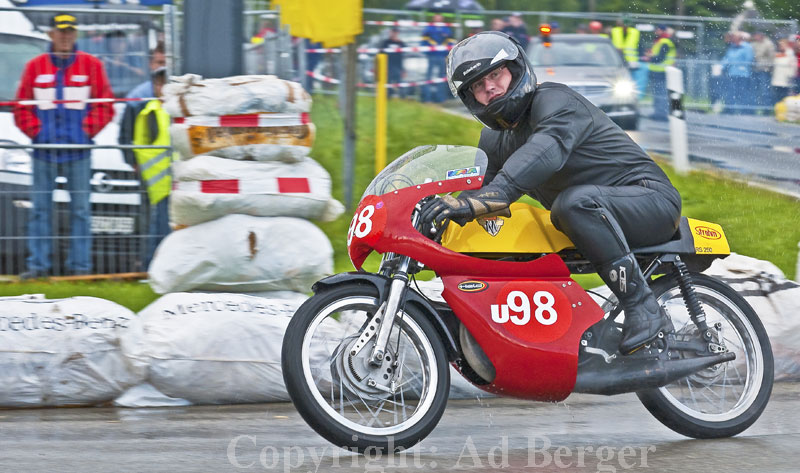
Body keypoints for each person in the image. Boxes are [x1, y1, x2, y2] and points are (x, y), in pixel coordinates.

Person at [423, 31, 681, 355]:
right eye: (477, 84)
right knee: (516, 231)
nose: (489, 87)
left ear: (515, 71)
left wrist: (491, 196)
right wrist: (435, 214)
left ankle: (644, 307)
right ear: (471, 97)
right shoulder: (492, 140)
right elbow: (479, 195)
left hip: (649, 199)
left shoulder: (556, 102)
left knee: (572, 205)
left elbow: (544, 153)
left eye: (495, 74)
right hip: (591, 218)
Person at [13, 13, 114, 279]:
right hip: (43, 151)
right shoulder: (35, 66)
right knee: (39, 210)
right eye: (61, 31)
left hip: (78, 152)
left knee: (80, 211)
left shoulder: (92, 65)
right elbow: (20, 107)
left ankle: (79, 268)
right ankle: (38, 266)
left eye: (70, 31)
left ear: (76, 34)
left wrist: (85, 132)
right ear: (51, 34)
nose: (66, 36)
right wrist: (37, 133)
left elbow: (105, 105)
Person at [119, 67, 175, 269]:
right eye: (159, 83)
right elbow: (134, 141)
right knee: (155, 226)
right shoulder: (148, 110)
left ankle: (159, 265)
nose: (162, 88)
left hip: (175, 180)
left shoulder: (178, 110)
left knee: (166, 226)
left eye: (165, 83)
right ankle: (150, 266)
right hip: (155, 182)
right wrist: (136, 164)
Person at [421, 13, 457, 103]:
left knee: (442, 78)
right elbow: (424, 41)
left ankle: (441, 98)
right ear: (433, 18)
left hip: (442, 57)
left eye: (440, 18)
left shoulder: (446, 29)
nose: (438, 19)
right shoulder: (429, 28)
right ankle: (427, 98)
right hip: (432, 57)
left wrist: (447, 53)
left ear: (442, 19)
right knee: (429, 78)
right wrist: (428, 52)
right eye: (436, 18)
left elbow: (450, 42)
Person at [646, 24, 676, 121]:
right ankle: (658, 113)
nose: (656, 32)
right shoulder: (660, 41)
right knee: (657, 93)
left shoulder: (665, 42)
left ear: (662, 31)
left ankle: (661, 114)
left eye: (658, 30)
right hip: (657, 72)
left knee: (661, 94)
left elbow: (660, 58)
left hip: (662, 72)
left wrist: (650, 58)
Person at [721, 31, 754, 114]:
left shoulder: (747, 47)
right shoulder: (732, 47)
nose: (732, 39)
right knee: (731, 92)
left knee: (743, 93)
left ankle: (744, 110)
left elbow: (749, 59)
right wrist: (721, 67)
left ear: (739, 38)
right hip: (732, 73)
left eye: (734, 37)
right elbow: (727, 58)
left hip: (743, 74)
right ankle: (730, 110)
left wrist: (740, 66)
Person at [751, 31, 776, 113]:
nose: (755, 37)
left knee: (765, 91)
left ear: (761, 36)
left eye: (756, 35)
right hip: (755, 69)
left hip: (764, 71)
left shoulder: (768, 44)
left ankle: (766, 110)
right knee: (754, 90)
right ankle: (753, 109)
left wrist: (768, 67)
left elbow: (772, 57)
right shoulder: (754, 44)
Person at [380, 28, 406, 98]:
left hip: (398, 65)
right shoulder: (386, 42)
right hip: (387, 65)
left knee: (399, 82)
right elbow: (381, 54)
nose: (394, 34)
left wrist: (403, 69)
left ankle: (402, 96)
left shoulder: (401, 43)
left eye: (396, 32)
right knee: (388, 82)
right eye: (393, 32)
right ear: (390, 32)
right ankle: (388, 96)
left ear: (398, 33)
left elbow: (403, 56)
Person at [772, 38, 798, 104]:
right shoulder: (777, 54)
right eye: (780, 45)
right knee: (776, 97)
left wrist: (789, 76)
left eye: (782, 45)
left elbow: (793, 68)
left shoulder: (790, 54)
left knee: (784, 97)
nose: (781, 46)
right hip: (777, 79)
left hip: (786, 80)